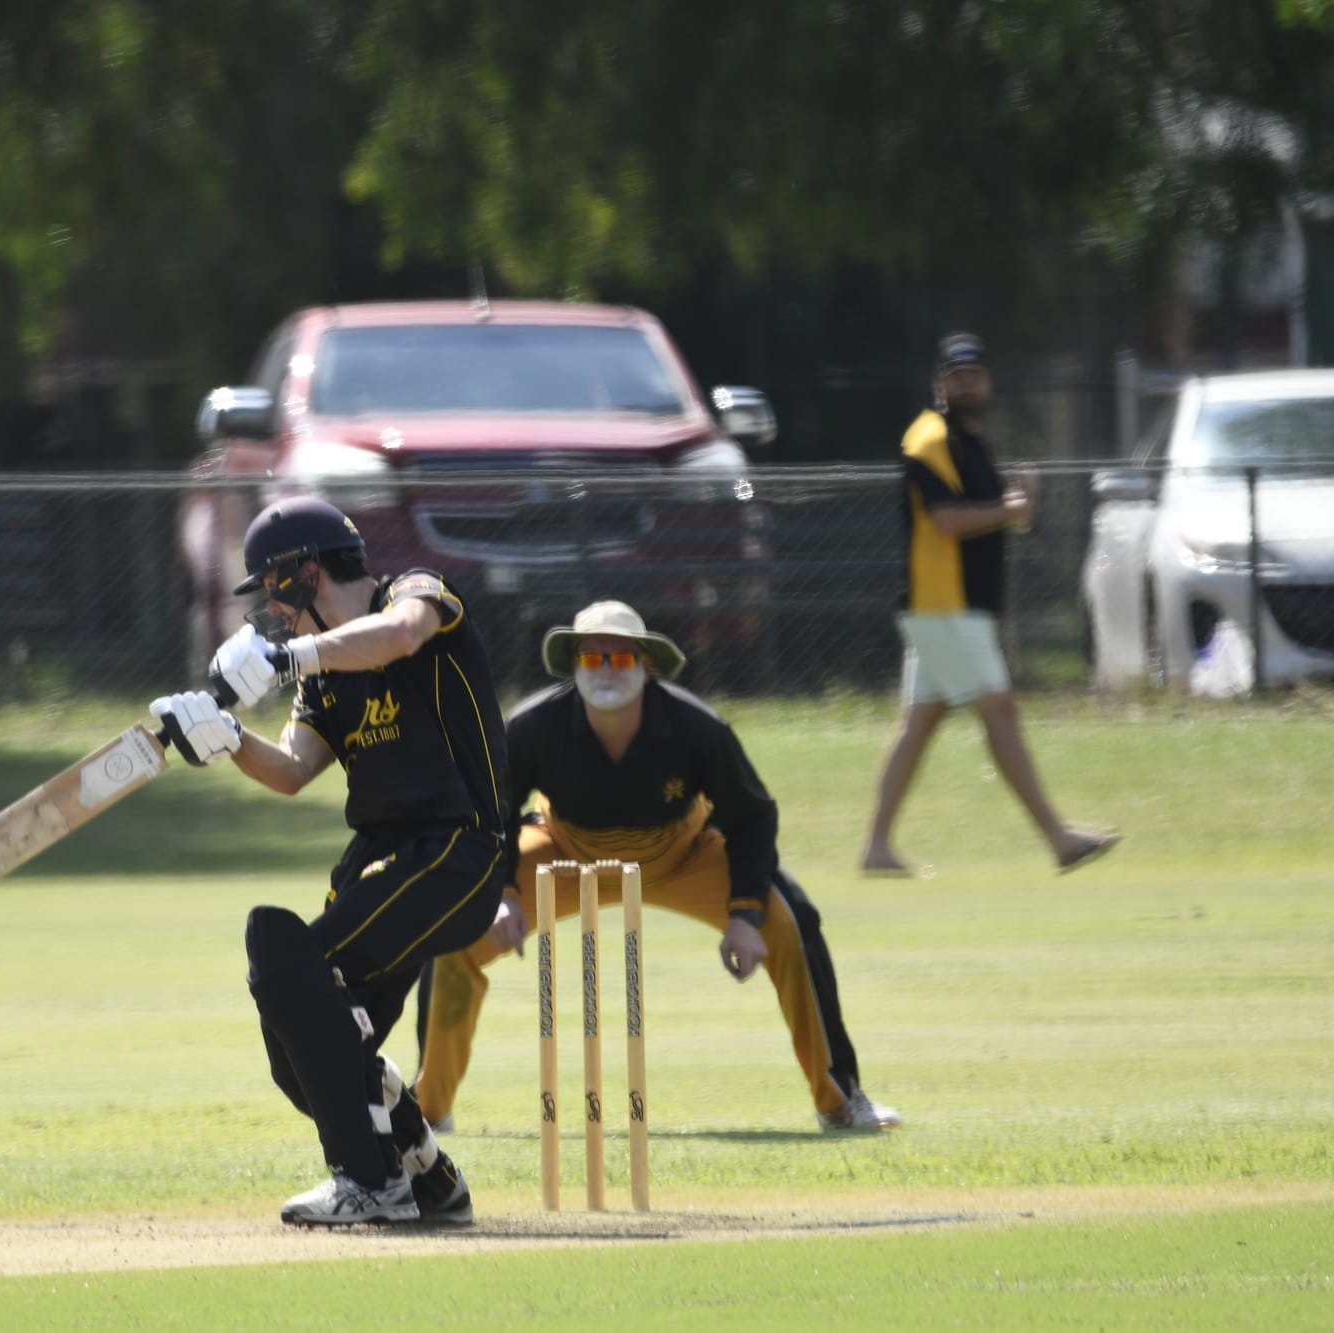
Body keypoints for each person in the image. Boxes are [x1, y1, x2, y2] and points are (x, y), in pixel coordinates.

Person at [148, 496, 510, 1227]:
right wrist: (221, 736)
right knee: (304, 1050)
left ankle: (371, 1184)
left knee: (279, 950)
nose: (274, 615)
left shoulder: (414, 594)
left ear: (305, 573)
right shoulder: (323, 676)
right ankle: (429, 1179)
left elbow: (399, 637)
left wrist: (289, 656)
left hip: (456, 847)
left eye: (274, 592)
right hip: (382, 859)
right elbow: (289, 768)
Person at [412, 599, 900, 1134]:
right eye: (591, 659)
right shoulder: (533, 727)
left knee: (793, 923)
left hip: (681, 856)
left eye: (620, 660)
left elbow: (753, 817)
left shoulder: (698, 728)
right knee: (453, 929)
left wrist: (744, 915)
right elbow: (489, 814)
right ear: (573, 667)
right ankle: (427, 1112)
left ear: (647, 667)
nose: (605, 671)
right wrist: (499, 894)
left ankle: (841, 1099)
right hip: (566, 853)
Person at [859, 333, 1118, 877]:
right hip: (944, 605)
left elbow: (986, 513)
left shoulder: (970, 441)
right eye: (956, 375)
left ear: (987, 381)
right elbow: (948, 521)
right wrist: (1013, 507)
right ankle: (1059, 838)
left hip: (953, 607)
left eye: (974, 374)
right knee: (999, 711)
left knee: (920, 722)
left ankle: (876, 849)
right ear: (939, 384)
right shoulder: (928, 440)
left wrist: (1014, 508)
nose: (967, 383)